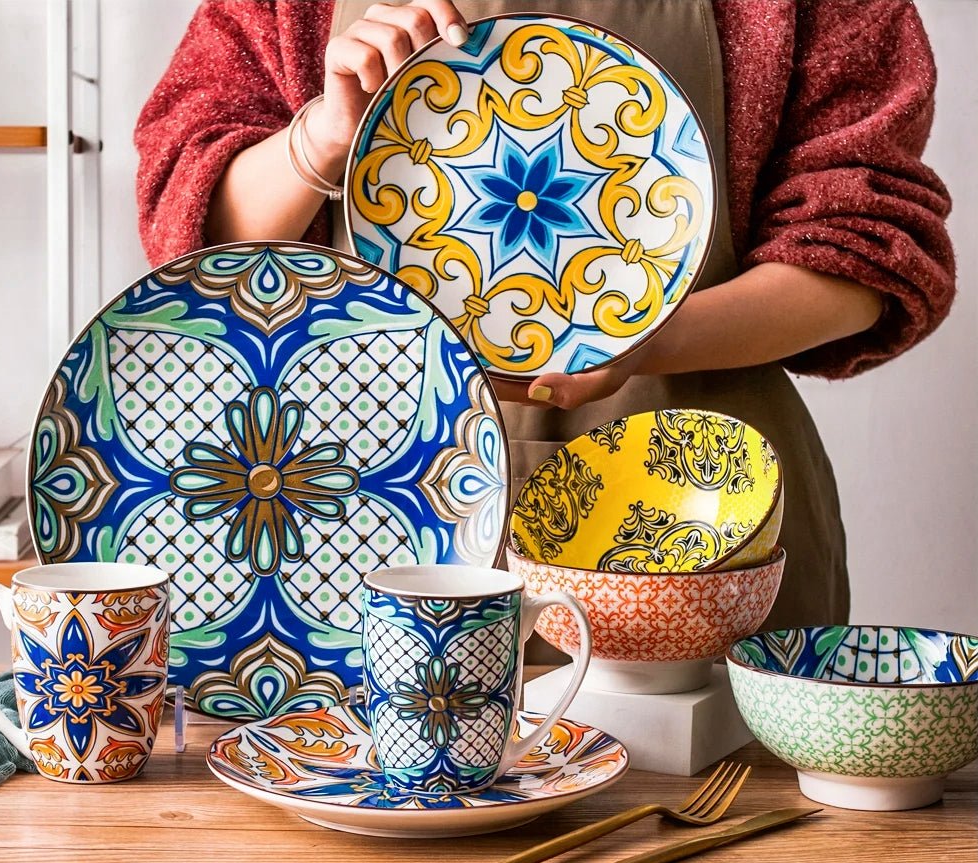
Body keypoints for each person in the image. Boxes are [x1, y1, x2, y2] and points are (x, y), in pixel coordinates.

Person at [135, 0, 955, 632]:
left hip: (706, 524)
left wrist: (649, 336)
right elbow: (192, 237)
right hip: (359, 512)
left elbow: (863, 252)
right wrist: (316, 144)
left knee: (713, 831)